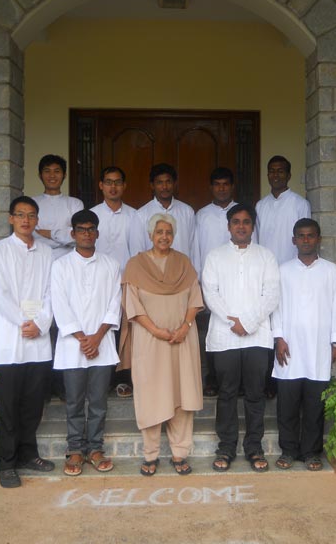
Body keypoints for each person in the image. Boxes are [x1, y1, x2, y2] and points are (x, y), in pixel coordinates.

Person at [121, 213, 203, 476]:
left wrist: (184, 327)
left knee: (182, 394)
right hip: (150, 340)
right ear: (150, 235)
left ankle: (180, 453)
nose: (164, 237)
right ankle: (151, 454)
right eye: (159, 232)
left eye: (168, 232)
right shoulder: (135, 265)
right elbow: (132, 305)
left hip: (182, 339)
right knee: (151, 393)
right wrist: (157, 330)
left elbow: (195, 299)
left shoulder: (184, 263)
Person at [202, 203, 280, 473]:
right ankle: (225, 447)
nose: (241, 226)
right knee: (226, 393)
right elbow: (210, 293)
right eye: (236, 221)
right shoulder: (215, 256)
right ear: (228, 226)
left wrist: (248, 322)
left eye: (246, 222)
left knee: (255, 394)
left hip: (257, 337)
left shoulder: (266, 256)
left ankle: (254, 447)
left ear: (253, 226)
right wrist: (232, 321)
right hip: (225, 337)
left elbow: (271, 294)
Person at [0, 196, 54, 488]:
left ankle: (28, 455)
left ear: (37, 220)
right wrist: (22, 321)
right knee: (8, 408)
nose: (26, 220)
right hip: (9, 341)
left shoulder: (46, 252)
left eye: (31, 215)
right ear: (11, 218)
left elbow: (52, 291)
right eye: (20, 214)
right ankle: (7, 463)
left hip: (38, 341)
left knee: (32, 405)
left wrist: (40, 323)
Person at [272, 218, 336, 471]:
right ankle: (288, 450)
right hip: (289, 348)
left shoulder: (331, 271)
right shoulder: (283, 271)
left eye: (310, 235)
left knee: (315, 405)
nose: (306, 240)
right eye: (301, 236)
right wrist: (278, 338)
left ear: (318, 239)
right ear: (293, 240)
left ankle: (312, 453)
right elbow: (276, 307)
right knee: (288, 405)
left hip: (318, 348)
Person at [51, 209, 122, 477]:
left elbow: (115, 303)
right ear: (73, 233)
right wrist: (83, 339)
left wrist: (97, 337)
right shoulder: (60, 266)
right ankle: (75, 450)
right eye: (81, 230)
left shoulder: (111, 265)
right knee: (74, 401)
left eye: (91, 229)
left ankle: (95, 449)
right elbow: (60, 305)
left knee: (98, 402)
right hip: (73, 346)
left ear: (97, 233)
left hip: (102, 344)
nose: (86, 234)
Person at [255, 155, 311, 399]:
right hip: (265, 275)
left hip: (292, 274)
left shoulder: (299, 203)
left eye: (280, 171)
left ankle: (289, 377)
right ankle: (269, 380)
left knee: (288, 324)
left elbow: (305, 237)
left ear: (289, 175)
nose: (275, 175)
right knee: (268, 327)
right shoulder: (260, 206)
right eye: (271, 170)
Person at [32, 154, 84, 400]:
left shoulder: (74, 203)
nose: (52, 175)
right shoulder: (32, 203)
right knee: (43, 322)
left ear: (64, 175)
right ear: (40, 174)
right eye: (47, 171)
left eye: (57, 171)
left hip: (68, 268)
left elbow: (75, 236)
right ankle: (44, 385)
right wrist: (62, 235)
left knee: (66, 322)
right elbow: (31, 234)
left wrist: (47, 232)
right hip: (38, 267)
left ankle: (64, 385)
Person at [90, 166, 144, 398]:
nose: (113, 187)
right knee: (100, 326)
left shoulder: (134, 215)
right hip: (97, 282)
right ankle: (102, 379)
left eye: (118, 182)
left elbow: (138, 251)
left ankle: (123, 378)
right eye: (108, 182)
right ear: (101, 185)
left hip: (125, 282)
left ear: (124, 186)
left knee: (124, 331)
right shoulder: (92, 214)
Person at [195, 167, 238, 397]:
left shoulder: (242, 212)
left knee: (238, 327)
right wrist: (198, 282)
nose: (221, 188)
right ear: (211, 187)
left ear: (232, 187)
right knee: (212, 331)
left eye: (225, 184)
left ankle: (238, 381)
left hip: (239, 282)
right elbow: (195, 249)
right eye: (217, 184)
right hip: (210, 283)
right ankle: (212, 378)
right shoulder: (202, 215)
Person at [137, 163, 198, 262]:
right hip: (152, 270)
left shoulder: (187, 211)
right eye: (159, 182)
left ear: (174, 183)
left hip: (182, 269)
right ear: (152, 185)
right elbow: (138, 251)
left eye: (168, 182)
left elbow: (194, 247)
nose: (164, 187)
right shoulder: (141, 214)